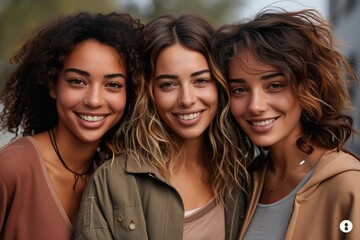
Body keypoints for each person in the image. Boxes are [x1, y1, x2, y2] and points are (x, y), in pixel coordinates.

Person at [74, 13, 249, 240]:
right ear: (149, 93)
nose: (186, 99)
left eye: (201, 81)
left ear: (219, 85)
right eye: (168, 84)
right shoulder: (113, 182)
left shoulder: (241, 172)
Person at [212, 8, 360, 239]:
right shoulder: (246, 181)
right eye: (239, 90)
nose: (255, 106)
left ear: (309, 86)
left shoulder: (349, 184)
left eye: (275, 85)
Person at [0, 12, 145, 240]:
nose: (94, 100)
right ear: (53, 85)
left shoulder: (110, 175)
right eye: (78, 81)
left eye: (113, 84)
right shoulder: (11, 168)